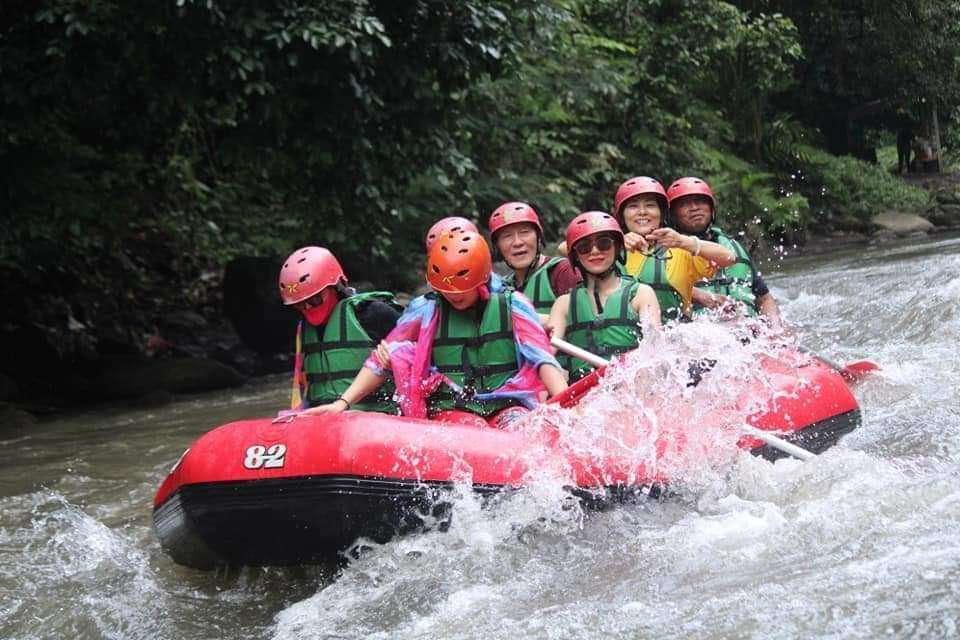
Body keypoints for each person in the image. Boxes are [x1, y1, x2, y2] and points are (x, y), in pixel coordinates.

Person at [303, 228, 568, 426]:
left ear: (482, 278)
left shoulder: (513, 305)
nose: (453, 295)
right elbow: (379, 361)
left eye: (461, 289)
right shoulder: (426, 310)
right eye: (445, 290)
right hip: (454, 409)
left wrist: (564, 402)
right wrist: (342, 403)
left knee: (521, 426)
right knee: (471, 429)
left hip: (507, 404)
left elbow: (543, 359)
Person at [278, 246, 403, 413]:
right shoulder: (304, 328)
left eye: (314, 299)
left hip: (376, 416)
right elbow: (302, 387)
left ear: (337, 287)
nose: (307, 307)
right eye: (299, 304)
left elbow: (420, 359)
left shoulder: (374, 313)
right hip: (324, 419)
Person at [548, 211, 661, 381]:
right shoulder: (564, 304)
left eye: (604, 244)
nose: (594, 252)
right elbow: (547, 354)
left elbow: (654, 347)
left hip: (631, 388)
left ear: (617, 248)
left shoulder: (641, 294)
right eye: (585, 247)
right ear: (576, 256)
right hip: (583, 395)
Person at [612, 176, 735, 322]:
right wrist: (617, 245)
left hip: (673, 338)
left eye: (650, 205)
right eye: (633, 206)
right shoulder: (608, 252)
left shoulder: (679, 251)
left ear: (662, 213)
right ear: (622, 216)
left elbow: (729, 258)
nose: (642, 212)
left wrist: (683, 241)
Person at [665, 177, 783, 329]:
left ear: (711, 209)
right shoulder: (664, 251)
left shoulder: (733, 247)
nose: (694, 208)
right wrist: (699, 295)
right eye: (684, 204)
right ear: (672, 214)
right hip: (701, 335)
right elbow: (654, 288)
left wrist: (776, 330)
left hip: (750, 332)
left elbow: (764, 299)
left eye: (700, 201)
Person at [488, 202, 580, 319]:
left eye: (524, 232)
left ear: (538, 238)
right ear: (498, 247)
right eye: (507, 236)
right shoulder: (501, 287)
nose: (517, 242)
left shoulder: (561, 271)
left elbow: (583, 321)